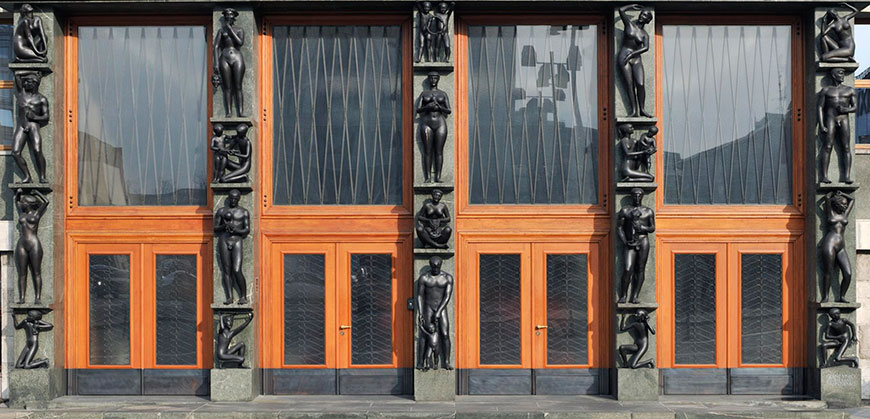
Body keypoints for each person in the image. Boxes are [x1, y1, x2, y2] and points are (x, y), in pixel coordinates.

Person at [817, 67, 856, 184]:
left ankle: (847, 176)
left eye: (844, 73)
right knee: (827, 146)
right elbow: (820, 107)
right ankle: (824, 176)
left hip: (843, 119)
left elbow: (855, 107)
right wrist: (821, 124)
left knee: (846, 147)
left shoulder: (850, 90)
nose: (842, 75)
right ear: (833, 75)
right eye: (840, 73)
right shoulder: (826, 90)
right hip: (830, 119)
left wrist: (845, 109)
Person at [617, 188, 655, 304]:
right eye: (634, 196)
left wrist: (642, 228)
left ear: (642, 197)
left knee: (640, 268)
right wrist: (625, 241)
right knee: (628, 268)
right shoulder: (625, 211)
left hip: (643, 240)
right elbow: (619, 228)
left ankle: (635, 296)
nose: (637, 198)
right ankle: (623, 295)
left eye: (639, 196)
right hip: (630, 242)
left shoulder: (648, 211)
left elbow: (652, 228)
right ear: (631, 196)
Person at [416, 256, 454, 370]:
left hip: (441, 308)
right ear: (430, 266)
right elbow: (420, 295)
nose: (435, 269)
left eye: (437, 267)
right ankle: (420, 362)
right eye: (433, 267)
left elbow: (447, 296)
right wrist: (421, 312)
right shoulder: (424, 278)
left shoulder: (447, 278)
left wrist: (439, 311)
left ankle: (446, 362)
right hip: (428, 307)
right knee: (424, 335)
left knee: (445, 334)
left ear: (441, 265)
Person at [12, 71, 50, 184]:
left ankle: (42, 176)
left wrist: (35, 117)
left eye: (29, 81)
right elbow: (17, 74)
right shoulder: (21, 93)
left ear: (35, 84)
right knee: (15, 152)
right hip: (21, 126)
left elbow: (46, 117)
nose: (26, 84)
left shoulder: (42, 99)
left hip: (33, 126)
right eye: (25, 81)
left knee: (37, 150)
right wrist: (32, 72)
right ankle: (27, 176)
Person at [215, 189, 250, 305]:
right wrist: (224, 226)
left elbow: (247, 230)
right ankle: (229, 297)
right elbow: (215, 228)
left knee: (236, 269)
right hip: (224, 239)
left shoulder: (244, 212)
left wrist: (236, 230)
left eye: (236, 199)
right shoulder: (221, 211)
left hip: (237, 240)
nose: (233, 201)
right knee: (226, 270)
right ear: (228, 198)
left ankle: (243, 296)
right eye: (231, 198)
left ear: (239, 199)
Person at [617, 4, 652, 118]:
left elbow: (646, 47)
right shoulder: (629, 25)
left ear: (648, 20)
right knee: (629, 84)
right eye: (642, 14)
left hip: (636, 58)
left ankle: (642, 109)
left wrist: (633, 54)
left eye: (645, 15)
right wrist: (632, 6)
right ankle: (633, 111)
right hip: (624, 56)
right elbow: (621, 10)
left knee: (640, 84)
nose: (642, 16)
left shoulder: (644, 34)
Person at [416, 72, 451, 183]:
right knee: (427, 150)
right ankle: (427, 177)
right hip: (427, 122)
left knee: (439, 151)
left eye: (435, 78)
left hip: (440, 123)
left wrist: (439, 106)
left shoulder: (443, 94)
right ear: (428, 79)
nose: (433, 80)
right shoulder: (424, 93)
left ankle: (438, 176)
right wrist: (428, 106)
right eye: (431, 78)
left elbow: (448, 110)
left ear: (438, 79)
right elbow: (418, 110)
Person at [820, 191, 854, 303]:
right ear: (836, 205)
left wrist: (843, 193)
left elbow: (852, 200)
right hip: (830, 243)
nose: (845, 206)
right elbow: (827, 197)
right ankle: (825, 296)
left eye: (845, 204)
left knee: (848, 273)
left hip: (841, 246)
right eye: (842, 204)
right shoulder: (831, 213)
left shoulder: (844, 214)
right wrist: (833, 193)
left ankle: (842, 296)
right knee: (828, 271)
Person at [15, 189, 47, 305]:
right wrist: (18, 193)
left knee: (36, 272)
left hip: (34, 244)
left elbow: (46, 202)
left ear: (28, 203)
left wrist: (37, 192)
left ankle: (38, 297)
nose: (21, 203)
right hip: (22, 244)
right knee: (22, 273)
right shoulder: (21, 214)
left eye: (23, 202)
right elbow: (16, 201)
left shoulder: (36, 214)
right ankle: (22, 297)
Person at [214, 8, 246, 117]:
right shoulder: (221, 31)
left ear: (234, 17)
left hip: (237, 57)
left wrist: (230, 30)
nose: (228, 17)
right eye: (226, 15)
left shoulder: (239, 30)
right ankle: (228, 112)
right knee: (227, 87)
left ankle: (240, 112)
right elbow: (216, 46)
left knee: (238, 86)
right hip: (225, 57)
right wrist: (216, 62)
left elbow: (240, 42)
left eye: (230, 15)